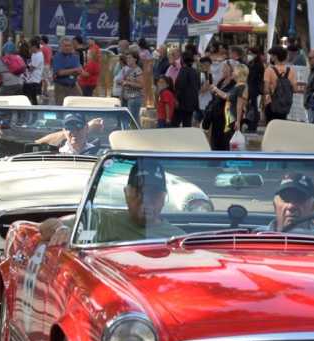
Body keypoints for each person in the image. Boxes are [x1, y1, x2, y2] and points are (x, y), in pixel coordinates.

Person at [38, 159, 184, 244]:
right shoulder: (100, 221)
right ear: (127, 193)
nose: (145, 201)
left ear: (163, 198)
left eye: (153, 194)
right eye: (139, 192)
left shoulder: (178, 239)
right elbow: (46, 227)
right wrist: (61, 230)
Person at [206, 61, 236, 149]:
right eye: (223, 67)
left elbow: (228, 96)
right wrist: (214, 90)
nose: (223, 69)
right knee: (215, 141)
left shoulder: (234, 83)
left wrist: (216, 90)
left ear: (231, 69)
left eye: (225, 67)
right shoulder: (222, 81)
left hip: (226, 116)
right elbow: (217, 95)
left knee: (225, 140)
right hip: (216, 115)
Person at [263, 46, 297, 122]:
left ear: (275, 56)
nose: (270, 57)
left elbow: (266, 90)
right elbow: (295, 89)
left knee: (271, 128)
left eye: (271, 55)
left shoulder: (269, 70)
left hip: (271, 104)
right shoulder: (291, 70)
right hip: (285, 105)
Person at [172, 51, 200, 128]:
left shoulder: (183, 70)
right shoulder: (195, 72)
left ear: (182, 60)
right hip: (191, 103)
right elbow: (198, 86)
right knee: (187, 125)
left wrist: (176, 99)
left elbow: (180, 86)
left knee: (174, 124)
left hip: (182, 103)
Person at [51, 38, 82, 106]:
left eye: (69, 45)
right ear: (61, 47)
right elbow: (59, 73)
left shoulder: (75, 56)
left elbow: (79, 70)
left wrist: (67, 71)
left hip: (73, 86)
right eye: (65, 45)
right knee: (61, 108)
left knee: (79, 105)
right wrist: (73, 70)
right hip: (61, 87)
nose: (68, 47)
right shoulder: (57, 57)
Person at [120, 52, 144, 126]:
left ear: (135, 59)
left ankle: (137, 135)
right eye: (127, 58)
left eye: (130, 58)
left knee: (133, 119)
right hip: (127, 97)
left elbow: (141, 85)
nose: (127, 59)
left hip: (135, 98)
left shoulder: (138, 70)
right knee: (129, 119)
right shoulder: (127, 69)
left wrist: (128, 83)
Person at [245, 48, 265, 132]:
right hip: (251, 88)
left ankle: (252, 126)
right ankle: (250, 125)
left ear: (255, 54)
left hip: (254, 89)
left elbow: (253, 77)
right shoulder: (252, 63)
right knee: (250, 107)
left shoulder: (258, 65)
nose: (249, 55)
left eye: (250, 53)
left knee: (253, 108)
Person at [23, 38, 44, 105]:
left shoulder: (39, 55)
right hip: (30, 80)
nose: (29, 48)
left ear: (34, 46)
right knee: (29, 99)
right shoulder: (34, 54)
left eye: (30, 47)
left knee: (34, 101)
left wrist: (25, 67)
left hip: (35, 81)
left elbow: (32, 68)